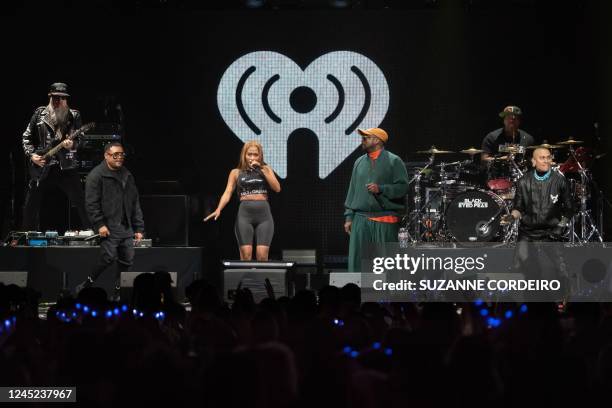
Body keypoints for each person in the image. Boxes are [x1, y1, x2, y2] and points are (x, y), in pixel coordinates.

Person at [75, 142, 144, 300]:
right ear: (106, 155)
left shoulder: (127, 174)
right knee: (108, 257)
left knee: (127, 259)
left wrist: (139, 228)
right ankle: (86, 284)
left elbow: (135, 202)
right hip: (108, 226)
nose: (119, 157)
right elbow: (91, 204)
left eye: (121, 155)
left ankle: (118, 292)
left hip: (125, 226)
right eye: (115, 155)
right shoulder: (96, 175)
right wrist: (99, 224)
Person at [21, 82, 89, 230]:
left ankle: (96, 232)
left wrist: (73, 144)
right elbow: (26, 137)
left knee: (80, 200)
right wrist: (32, 155)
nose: (59, 101)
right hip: (43, 164)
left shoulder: (74, 115)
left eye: (63, 98)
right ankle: (24, 235)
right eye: (56, 98)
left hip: (66, 165)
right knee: (31, 202)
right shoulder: (39, 114)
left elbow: (81, 139)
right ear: (50, 96)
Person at [343, 128, 409, 272]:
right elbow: (352, 190)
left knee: (385, 264)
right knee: (358, 264)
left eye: (366, 137)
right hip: (361, 220)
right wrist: (349, 216)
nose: (363, 140)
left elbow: (403, 187)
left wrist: (382, 189)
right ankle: (356, 292)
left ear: (377, 140)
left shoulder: (394, 161)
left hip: (384, 220)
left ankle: (387, 293)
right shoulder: (359, 162)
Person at [204, 140, 281, 261]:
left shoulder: (265, 169)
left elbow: (277, 188)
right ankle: (247, 279)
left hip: (264, 216)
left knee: (262, 255)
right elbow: (228, 192)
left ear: (260, 155)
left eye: (255, 154)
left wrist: (262, 169)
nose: (252, 157)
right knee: (246, 255)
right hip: (245, 215)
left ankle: (261, 280)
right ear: (244, 155)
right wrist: (219, 209)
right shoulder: (236, 172)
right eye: (249, 154)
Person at [507, 147, 574, 241]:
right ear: (533, 161)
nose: (546, 161)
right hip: (527, 233)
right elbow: (518, 208)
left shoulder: (560, 180)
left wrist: (560, 226)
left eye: (548, 157)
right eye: (542, 158)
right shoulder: (523, 181)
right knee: (521, 256)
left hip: (551, 233)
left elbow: (570, 208)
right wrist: (511, 217)